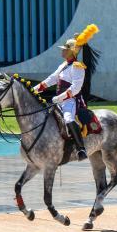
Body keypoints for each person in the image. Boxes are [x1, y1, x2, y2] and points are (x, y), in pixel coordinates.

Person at [36, 24, 100, 162]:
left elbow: (76, 88)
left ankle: (80, 149)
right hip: (60, 100)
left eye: (65, 49)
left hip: (70, 102)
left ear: (72, 52)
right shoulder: (63, 65)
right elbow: (52, 79)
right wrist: (35, 89)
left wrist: (60, 97)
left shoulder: (78, 67)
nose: (62, 51)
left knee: (68, 119)